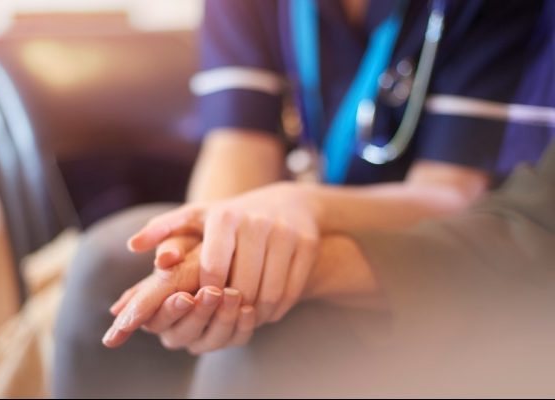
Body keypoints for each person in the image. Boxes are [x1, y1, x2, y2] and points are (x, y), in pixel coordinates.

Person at [53, 0, 552, 397]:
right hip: (296, 208)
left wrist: (303, 206)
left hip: (430, 237)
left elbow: (452, 193)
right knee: (107, 260)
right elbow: (238, 143)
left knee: (271, 327)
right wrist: (207, 252)